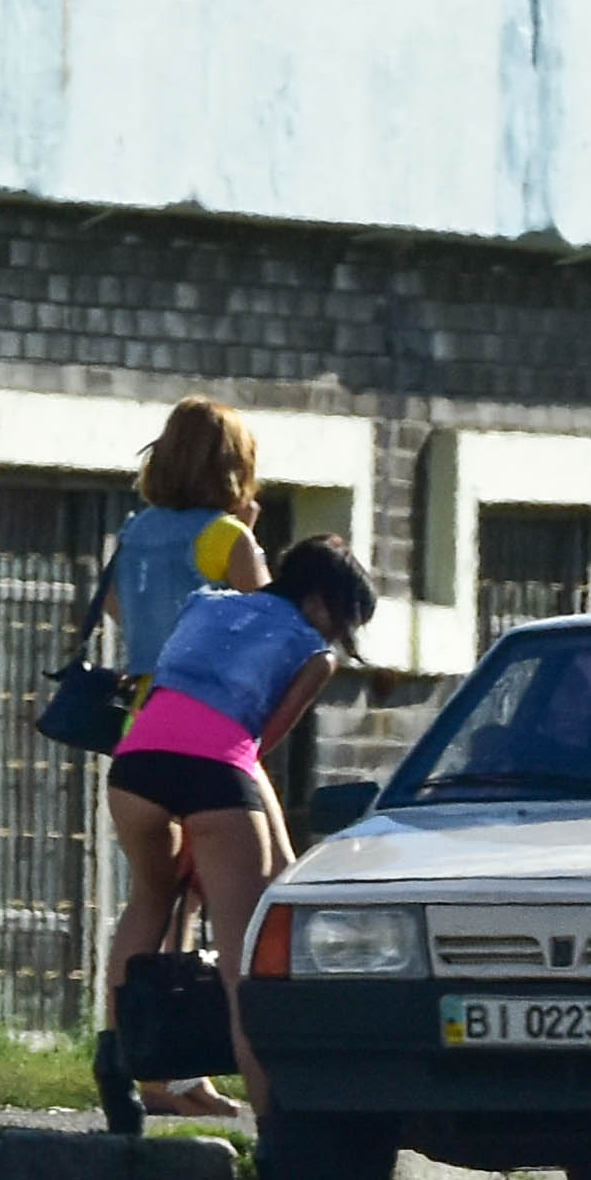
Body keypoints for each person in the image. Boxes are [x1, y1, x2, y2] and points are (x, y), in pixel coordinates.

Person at [107, 534, 378, 1105]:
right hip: (214, 774)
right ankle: (271, 1115)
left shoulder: (206, 601)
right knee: (243, 962)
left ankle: (116, 1060)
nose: (337, 636)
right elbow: (255, 744)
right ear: (323, 603)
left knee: (149, 901)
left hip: (134, 766)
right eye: (341, 622)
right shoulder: (313, 653)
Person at [109, 397, 270, 691]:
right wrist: (245, 537)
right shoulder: (227, 535)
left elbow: (111, 599)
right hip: (205, 706)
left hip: (143, 708)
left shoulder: (134, 530)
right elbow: (270, 625)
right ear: (235, 463)